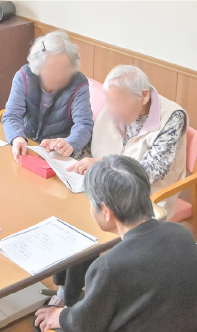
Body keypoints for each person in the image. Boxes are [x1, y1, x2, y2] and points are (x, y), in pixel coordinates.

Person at [34, 156, 197, 332]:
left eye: (92, 202)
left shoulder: (110, 266)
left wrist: (58, 315)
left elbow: (85, 327)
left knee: (42, 325)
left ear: (106, 211)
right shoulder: (181, 233)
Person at [68, 65, 189, 219]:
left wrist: (104, 165)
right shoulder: (113, 104)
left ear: (144, 96)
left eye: (119, 102)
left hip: (144, 200)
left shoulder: (172, 117)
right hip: (104, 190)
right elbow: (89, 147)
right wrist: (69, 147)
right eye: (109, 101)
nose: (111, 110)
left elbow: (153, 171)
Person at [3, 30, 94, 163]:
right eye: (51, 68)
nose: (58, 75)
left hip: (57, 152)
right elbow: (11, 115)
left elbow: (84, 124)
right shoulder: (24, 77)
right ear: (38, 66)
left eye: (64, 69)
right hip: (27, 143)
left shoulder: (79, 84)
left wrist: (70, 144)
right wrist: (17, 138)